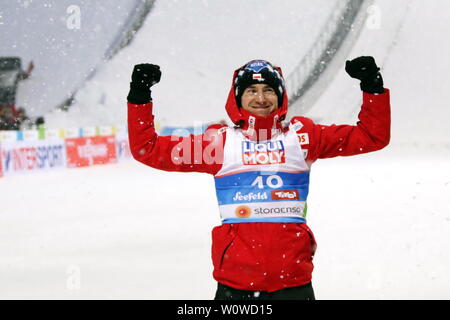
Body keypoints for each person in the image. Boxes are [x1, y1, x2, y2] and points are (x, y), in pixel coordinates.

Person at [126, 57, 390, 300]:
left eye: (269, 91)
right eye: (251, 91)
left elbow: (371, 136)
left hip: (294, 282)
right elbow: (147, 148)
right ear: (238, 98)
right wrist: (140, 94)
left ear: (280, 97)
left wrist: (372, 87)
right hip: (236, 284)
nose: (261, 98)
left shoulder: (303, 137)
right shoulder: (218, 143)